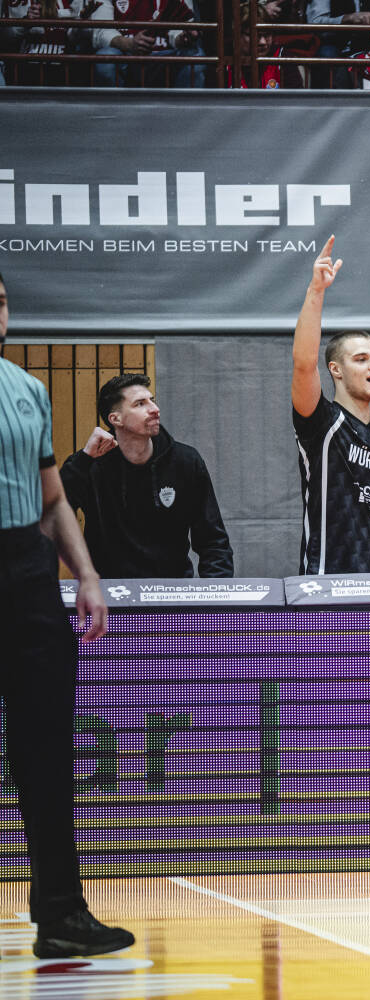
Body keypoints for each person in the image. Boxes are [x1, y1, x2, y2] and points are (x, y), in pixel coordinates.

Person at [0, 273, 134, 959]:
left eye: (0, 299)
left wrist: (86, 575)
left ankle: (60, 914)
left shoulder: (28, 389)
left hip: (26, 571)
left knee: (47, 752)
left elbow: (52, 498)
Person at [291, 236, 370, 576]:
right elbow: (303, 363)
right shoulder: (323, 422)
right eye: (361, 359)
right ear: (336, 370)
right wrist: (316, 291)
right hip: (329, 582)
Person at [58, 374, 233, 579]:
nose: (155, 409)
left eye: (152, 400)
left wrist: (215, 593)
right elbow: (54, 511)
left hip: (171, 590)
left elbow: (213, 541)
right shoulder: (92, 465)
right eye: (140, 404)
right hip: (110, 591)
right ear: (116, 419)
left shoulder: (186, 461)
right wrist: (83, 459)